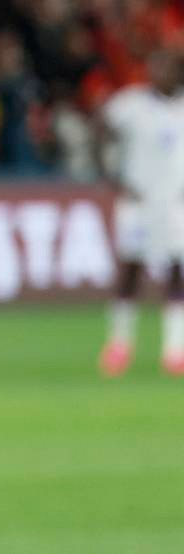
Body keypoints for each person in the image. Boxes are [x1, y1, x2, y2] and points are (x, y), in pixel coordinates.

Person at [96, 50, 184, 376]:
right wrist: (109, 171)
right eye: (155, 65)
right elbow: (100, 126)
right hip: (139, 202)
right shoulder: (131, 105)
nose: (159, 72)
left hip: (175, 203)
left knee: (178, 271)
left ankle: (175, 349)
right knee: (131, 270)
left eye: (167, 66)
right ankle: (119, 344)